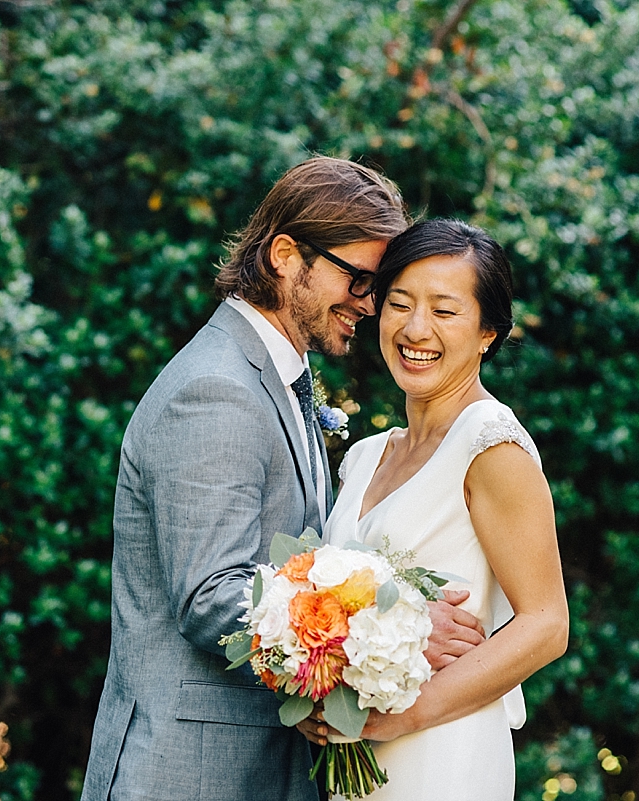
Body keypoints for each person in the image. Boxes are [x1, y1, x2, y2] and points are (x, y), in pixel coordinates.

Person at [81, 160, 487, 801]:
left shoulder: (276, 379)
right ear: (284, 255)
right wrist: (395, 626)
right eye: (357, 279)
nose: (369, 304)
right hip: (190, 773)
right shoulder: (216, 390)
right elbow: (210, 597)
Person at [303, 218, 570, 799]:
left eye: (445, 311)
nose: (415, 328)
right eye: (399, 303)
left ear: (488, 333)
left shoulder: (490, 444)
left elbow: (546, 625)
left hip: (444, 752)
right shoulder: (366, 456)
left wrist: (409, 715)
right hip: (356, 756)